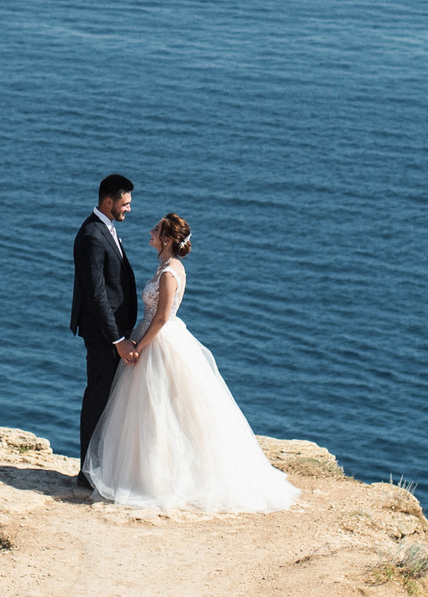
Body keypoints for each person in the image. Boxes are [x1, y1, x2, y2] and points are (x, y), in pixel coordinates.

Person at [81, 213, 297, 513]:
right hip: (154, 338)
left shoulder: (169, 273)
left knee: (159, 411)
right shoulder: (167, 267)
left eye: (156, 230)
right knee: (153, 412)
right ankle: (146, 472)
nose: (151, 231)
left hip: (157, 342)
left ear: (167, 239)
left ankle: (159, 478)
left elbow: (162, 317)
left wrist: (138, 347)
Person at [69, 174, 140, 490]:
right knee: (98, 397)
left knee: (110, 398)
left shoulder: (106, 230)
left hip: (113, 332)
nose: (128, 210)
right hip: (102, 336)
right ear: (107, 201)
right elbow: (97, 294)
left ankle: (104, 467)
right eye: (124, 204)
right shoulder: (91, 236)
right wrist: (117, 340)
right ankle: (87, 472)